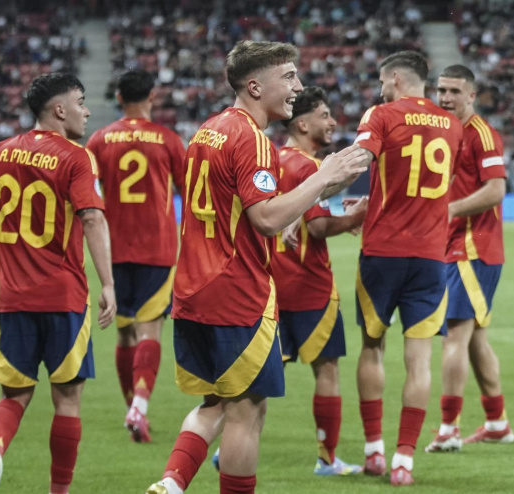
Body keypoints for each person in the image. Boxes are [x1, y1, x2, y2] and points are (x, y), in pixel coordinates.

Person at [145, 41, 365, 494]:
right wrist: (322, 177)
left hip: (192, 290)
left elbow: (240, 208)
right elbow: (265, 219)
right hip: (235, 293)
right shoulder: (253, 139)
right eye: (288, 77)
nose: (297, 87)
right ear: (254, 85)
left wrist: (315, 187)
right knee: (247, 410)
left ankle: (171, 482)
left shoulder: (208, 130)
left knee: (216, 402)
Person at [209, 87, 368, 476]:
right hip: (310, 287)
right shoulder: (310, 167)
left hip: (270, 288)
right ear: (302, 122)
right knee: (327, 371)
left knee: (249, 381)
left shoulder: (270, 159)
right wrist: (355, 217)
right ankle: (327, 460)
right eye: (325, 115)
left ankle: (225, 449)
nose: (332, 122)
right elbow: (316, 227)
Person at [0, 73, 116, 494]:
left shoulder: (0, 153)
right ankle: (59, 491)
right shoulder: (76, 157)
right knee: (67, 401)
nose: (87, 110)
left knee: (13, 397)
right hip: (63, 296)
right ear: (60, 110)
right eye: (81, 102)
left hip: (13, 299)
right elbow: (92, 217)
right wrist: (107, 283)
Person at [352, 51, 464, 486]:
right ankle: (404, 460)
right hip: (431, 255)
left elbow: (361, 162)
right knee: (420, 361)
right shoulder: (452, 126)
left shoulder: (381, 114)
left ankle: (374, 450)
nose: (380, 89)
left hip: (382, 250)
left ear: (396, 79)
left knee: (372, 346)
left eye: (382, 81)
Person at [86, 69, 186, 443]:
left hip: (112, 249)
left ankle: (132, 407)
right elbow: (188, 190)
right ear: (152, 96)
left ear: (117, 96)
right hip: (156, 250)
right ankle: (139, 406)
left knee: (125, 335)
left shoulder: (99, 139)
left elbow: (85, 191)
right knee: (151, 330)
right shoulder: (168, 140)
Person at [425, 64, 512, 453]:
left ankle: (448, 428)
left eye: (454, 91)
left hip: (473, 248)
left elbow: (496, 190)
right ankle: (497, 422)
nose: (445, 97)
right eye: (441, 90)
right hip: (453, 247)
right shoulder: (441, 131)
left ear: (471, 95)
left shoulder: (482, 134)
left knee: (454, 338)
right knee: (475, 340)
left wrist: (450, 211)